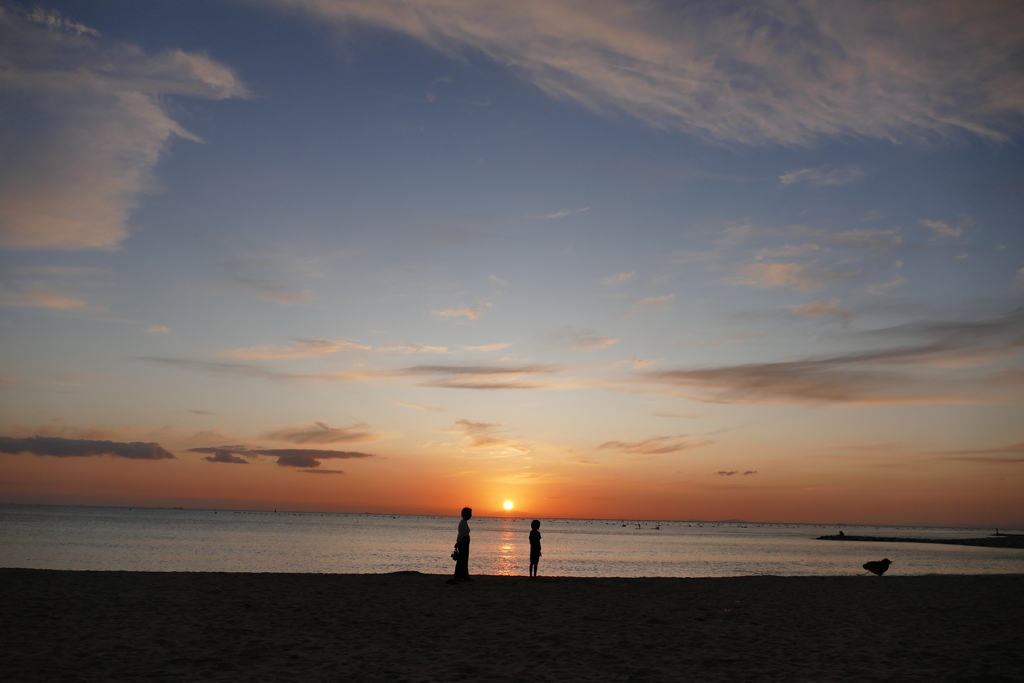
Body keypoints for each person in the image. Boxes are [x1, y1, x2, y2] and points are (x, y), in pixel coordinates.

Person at [447, 507, 473, 584]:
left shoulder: (464, 522)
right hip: (463, 542)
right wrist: (458, 542)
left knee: (464, 559)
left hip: (464, 541)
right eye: (470, 514)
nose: (471, 515)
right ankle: (459, 576)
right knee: (462, 559)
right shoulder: (463, 523)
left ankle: (463, 575)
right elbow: (461, 534)